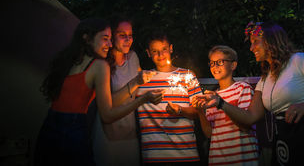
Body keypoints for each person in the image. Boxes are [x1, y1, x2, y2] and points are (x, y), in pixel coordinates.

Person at [193, 22, 304, 166]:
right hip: (285, 141)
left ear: (271, 41)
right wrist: (220, 103)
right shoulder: (264, 80)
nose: (251, 48)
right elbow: (250, 117)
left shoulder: (300, 60)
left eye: (255, 42)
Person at [34, 18, 163, 166]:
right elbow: (107, 115)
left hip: (49, 128)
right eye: (105, 39)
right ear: (87, 38)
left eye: (110, 39)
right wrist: (143, 99)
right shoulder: (100, 65)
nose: (109, 44)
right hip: (75, 130)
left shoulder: (68, 60)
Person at [136, 31, 202, 165]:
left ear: (171, 48)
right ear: (148, 53)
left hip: (186, 155)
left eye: (164, 49)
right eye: (155, 51)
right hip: (154, 157)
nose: (160, 55)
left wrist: (180, 110)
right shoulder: (141, 81)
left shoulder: (187, 76)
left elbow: (200, 112)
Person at [92, 17, 147, 165]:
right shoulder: (103, 65)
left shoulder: (133, 57)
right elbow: (109, 105)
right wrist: (136, 82)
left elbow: (143, 86)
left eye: (130, 35)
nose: (128, 39)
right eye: (122, 35)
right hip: (108, 137)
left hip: (131, 134)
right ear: (111, 36)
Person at [197, 45, 258, 165]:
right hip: (218, 160)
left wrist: (220, 103)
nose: (215, 66)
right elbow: (209, 133)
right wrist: (199, 111)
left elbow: (245, 126)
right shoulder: (212, 96)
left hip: (243, 160)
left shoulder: (242, 88)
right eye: (212, 63)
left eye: (219, 62)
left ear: (233, 65)